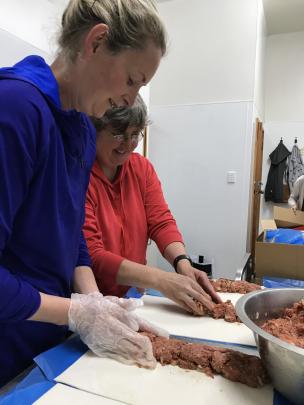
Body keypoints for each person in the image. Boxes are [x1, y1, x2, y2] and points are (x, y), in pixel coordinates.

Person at [0, 0, 168, 387]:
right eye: (132, 80)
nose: (131, 99)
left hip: (46, 347)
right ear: (96, 42)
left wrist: (95, 302)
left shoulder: (78, 129)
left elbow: (69, 232)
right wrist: (76, 313)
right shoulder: (16, 109)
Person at [84, 95, 221, 315]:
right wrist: (160, 278)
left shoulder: (141, 168)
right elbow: (93, 254)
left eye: (135, 134)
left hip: (133, 295)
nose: (128, 144)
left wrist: (182, 263)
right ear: (95, 129)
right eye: (119, 134)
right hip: (91, 300)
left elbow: (161, 222)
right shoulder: (80, 175)